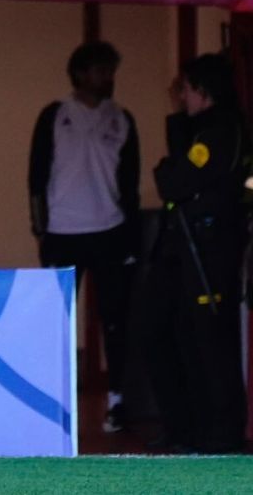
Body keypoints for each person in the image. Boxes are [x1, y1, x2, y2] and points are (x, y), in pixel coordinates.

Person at [28, 41, 140, 431]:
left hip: (110, 231)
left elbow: (131, 182)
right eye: (99, 71)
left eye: (111, 71)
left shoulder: (123, 119)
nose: (107, 78)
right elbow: (36, 177)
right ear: (80, 74)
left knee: (115, 319)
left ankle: (117, 402)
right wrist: (41, 229)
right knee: (57, 321)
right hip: (62, 232)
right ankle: (52, 401)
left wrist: (131, 237)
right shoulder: (55, 115)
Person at [142, 53, 249, 453]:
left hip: (207, 250)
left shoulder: (221, 130)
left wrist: (168, 168)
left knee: (208, 342)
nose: (180, 97)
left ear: (203, 91)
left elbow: (177, 180)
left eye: (185, 89)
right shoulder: (200, 127)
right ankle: (183, 427)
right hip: (179, 248)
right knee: (163, 334)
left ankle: (219, 434)